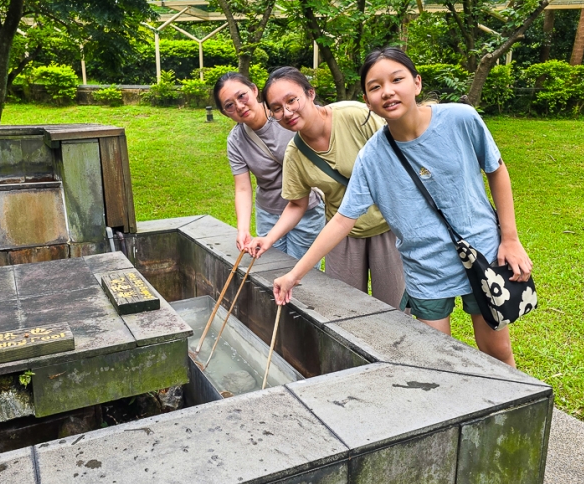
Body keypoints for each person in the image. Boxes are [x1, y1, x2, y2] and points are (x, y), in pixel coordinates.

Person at [272, 48, 532, 367]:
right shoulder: (371, 158)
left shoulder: (461, 120)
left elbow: (496, 170)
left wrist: (511, 238)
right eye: (375, 86)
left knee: (496, 351)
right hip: (426, 269)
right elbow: (341, 220)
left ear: (417, 83)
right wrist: (294, 274)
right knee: (434, 361)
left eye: (397, 79)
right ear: (367, 100)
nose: (388, 91)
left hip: (483, 254)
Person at [247, 67, 406, 306]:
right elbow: (297, 204)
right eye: (277, 109)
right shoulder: (295, 154)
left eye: (292, 100)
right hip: (341, 234)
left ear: (310, 93)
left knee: (394, 309)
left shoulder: (355, 115)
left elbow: (401, 154)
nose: (287, 111)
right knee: (343, 310)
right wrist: (269, 239)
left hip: (387, 227)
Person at [212, 72, 324, 260]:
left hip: (307, 211)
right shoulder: (236, 140)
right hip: (269, 214)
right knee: (270, 272)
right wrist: (243, 229)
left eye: (242, 96)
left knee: (302, 278)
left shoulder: (287, 116)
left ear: (254, 90)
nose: (239, 106)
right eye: (229, 105)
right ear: (225, 113)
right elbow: (242, 188)